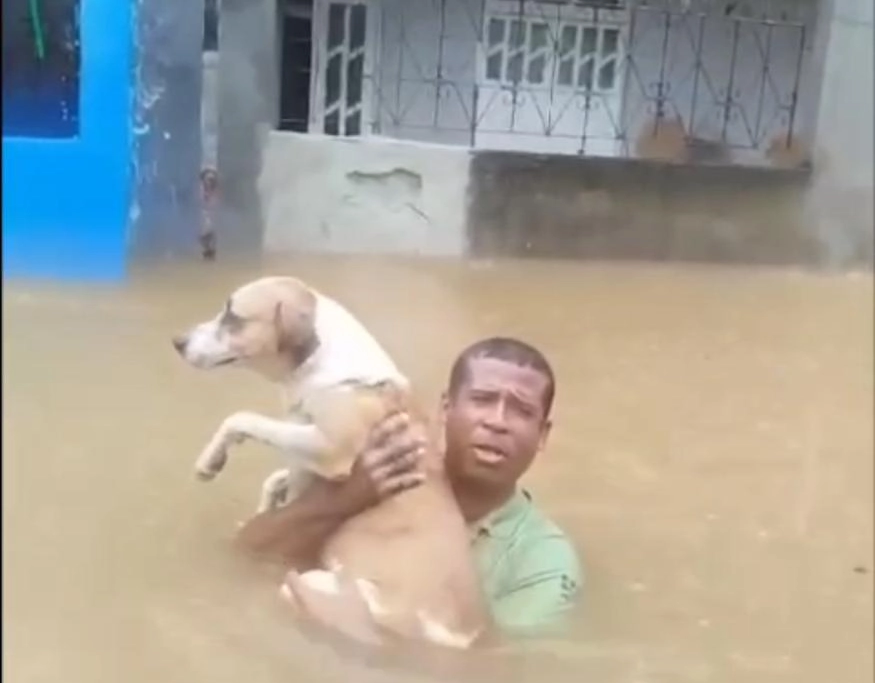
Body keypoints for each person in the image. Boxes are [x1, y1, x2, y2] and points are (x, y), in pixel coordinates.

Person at [237, 337, 583, 636]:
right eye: (482, 399)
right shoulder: (379, 469)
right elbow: (245, 555)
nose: (497, 421)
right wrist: (346, 499)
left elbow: (499, 668)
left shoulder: (544, 561)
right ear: (446, 409)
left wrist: (362, 633)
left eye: (521, 410)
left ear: (543, 435)